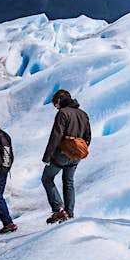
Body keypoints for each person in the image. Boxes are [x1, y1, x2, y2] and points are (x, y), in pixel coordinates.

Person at [41, 89, 91, 223]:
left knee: (47, 178)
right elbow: (88, 137)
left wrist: (47, 156)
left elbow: (56, 136)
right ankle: (69, 213)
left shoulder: (62, 113)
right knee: (68, 182)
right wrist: (78, 150)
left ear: (59, 101)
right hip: (76, 156)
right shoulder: (83, 114)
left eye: (55, 104)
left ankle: (59, 209)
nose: (55, 107)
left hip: (61, 154)